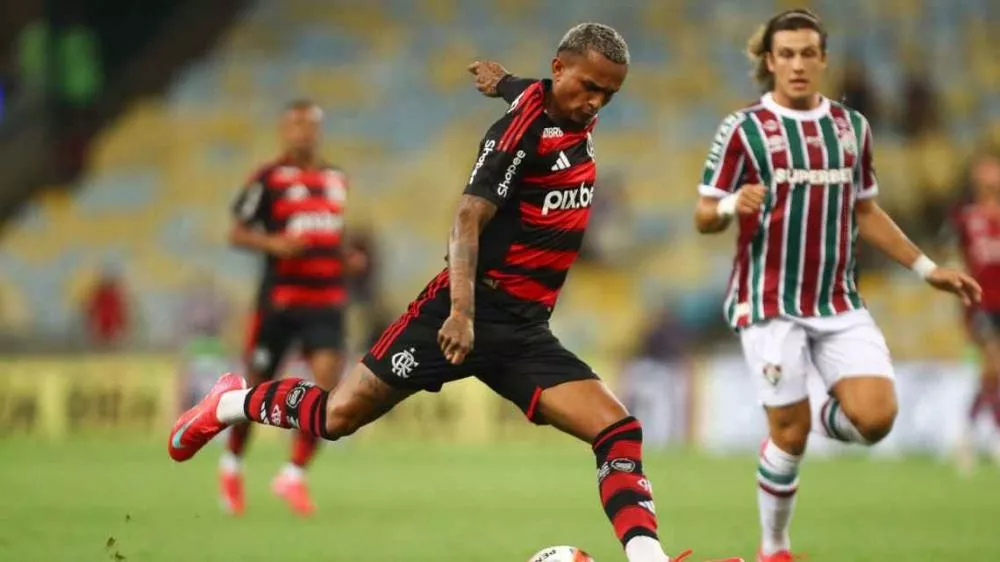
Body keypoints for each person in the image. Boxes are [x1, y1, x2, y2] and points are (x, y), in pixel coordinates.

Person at [170, 23, 742, 562]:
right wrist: (463, 313)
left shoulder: (563, 108)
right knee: (337, 416)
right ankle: (228, 402)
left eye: (609, 95)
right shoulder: (520, 131)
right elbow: (467, 217)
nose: (595, 102)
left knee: (619, 429)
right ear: (560, 69)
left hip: (522, 331)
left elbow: (536, 92)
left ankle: (648, 558)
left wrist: (504, 83)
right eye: (589, 87)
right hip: (459, 313)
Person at [691, 9, 981, 562]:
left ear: (822, 59)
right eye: (787, 55)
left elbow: (865, 211)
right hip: (768, 301)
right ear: (770, 62)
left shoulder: (851, 128)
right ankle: (774, 549)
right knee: (791, 438)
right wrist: (731, 204)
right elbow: (703, 214)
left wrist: (926, 269)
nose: (798, 64)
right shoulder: (743, 129)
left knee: (875, 420)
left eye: (808, 53)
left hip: (837, 300)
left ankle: (799, 409)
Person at [223, 99, 365, 516]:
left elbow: (329, 235)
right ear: (284, 131)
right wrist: (273, 244)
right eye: (295, 125)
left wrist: (345, 258)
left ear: (319, 131)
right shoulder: (268, 179)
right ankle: (232, 465)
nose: (303, 132)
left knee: (327, 390)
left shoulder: (336, 179)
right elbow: (236, 232)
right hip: (280, 302)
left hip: (326, 301)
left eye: (310, 125)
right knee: (255, 387)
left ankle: (293, 474)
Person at [951, 149, 1000, 473]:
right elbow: (954, 260)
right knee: (995, 367)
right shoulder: (966, 218)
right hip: (981, 303)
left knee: (993, 375)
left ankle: (966, 433)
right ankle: (989, 435)